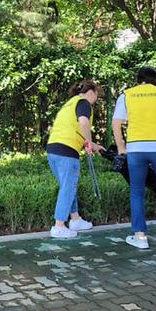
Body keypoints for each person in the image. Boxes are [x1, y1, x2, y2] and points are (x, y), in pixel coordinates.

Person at [112, 66, 156, 250]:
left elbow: (116, 122)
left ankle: (140, 237)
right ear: (155, 79)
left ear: (139, 80)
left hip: (136, 148)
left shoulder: (127, 95)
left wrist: (121, 147)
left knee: (137, 192)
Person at [45, 80, 104, 239]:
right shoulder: (84, 102)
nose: (96, 99)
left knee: (67, 186)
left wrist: (93, 144)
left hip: (53, 149)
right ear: (91, 92)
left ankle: (75, 219)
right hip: (66, 151)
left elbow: (73, 129)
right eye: (97, 94)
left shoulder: (70, 103)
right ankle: (58, 226)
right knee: (68, 187)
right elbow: (83, 122)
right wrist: (89, 143)